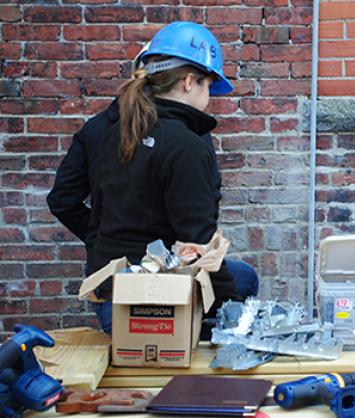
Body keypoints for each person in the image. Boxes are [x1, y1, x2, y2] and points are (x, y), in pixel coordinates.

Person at [46, 30, 259, 326]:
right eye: (208, 86)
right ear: (188, 82)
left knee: (243, 275)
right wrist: (230, 311)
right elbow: (197, 245)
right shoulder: (187, 146)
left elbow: (80, 207)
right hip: (153, 304)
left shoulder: (114, 133)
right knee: (242, 286)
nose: (209, 97)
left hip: (110, 297)